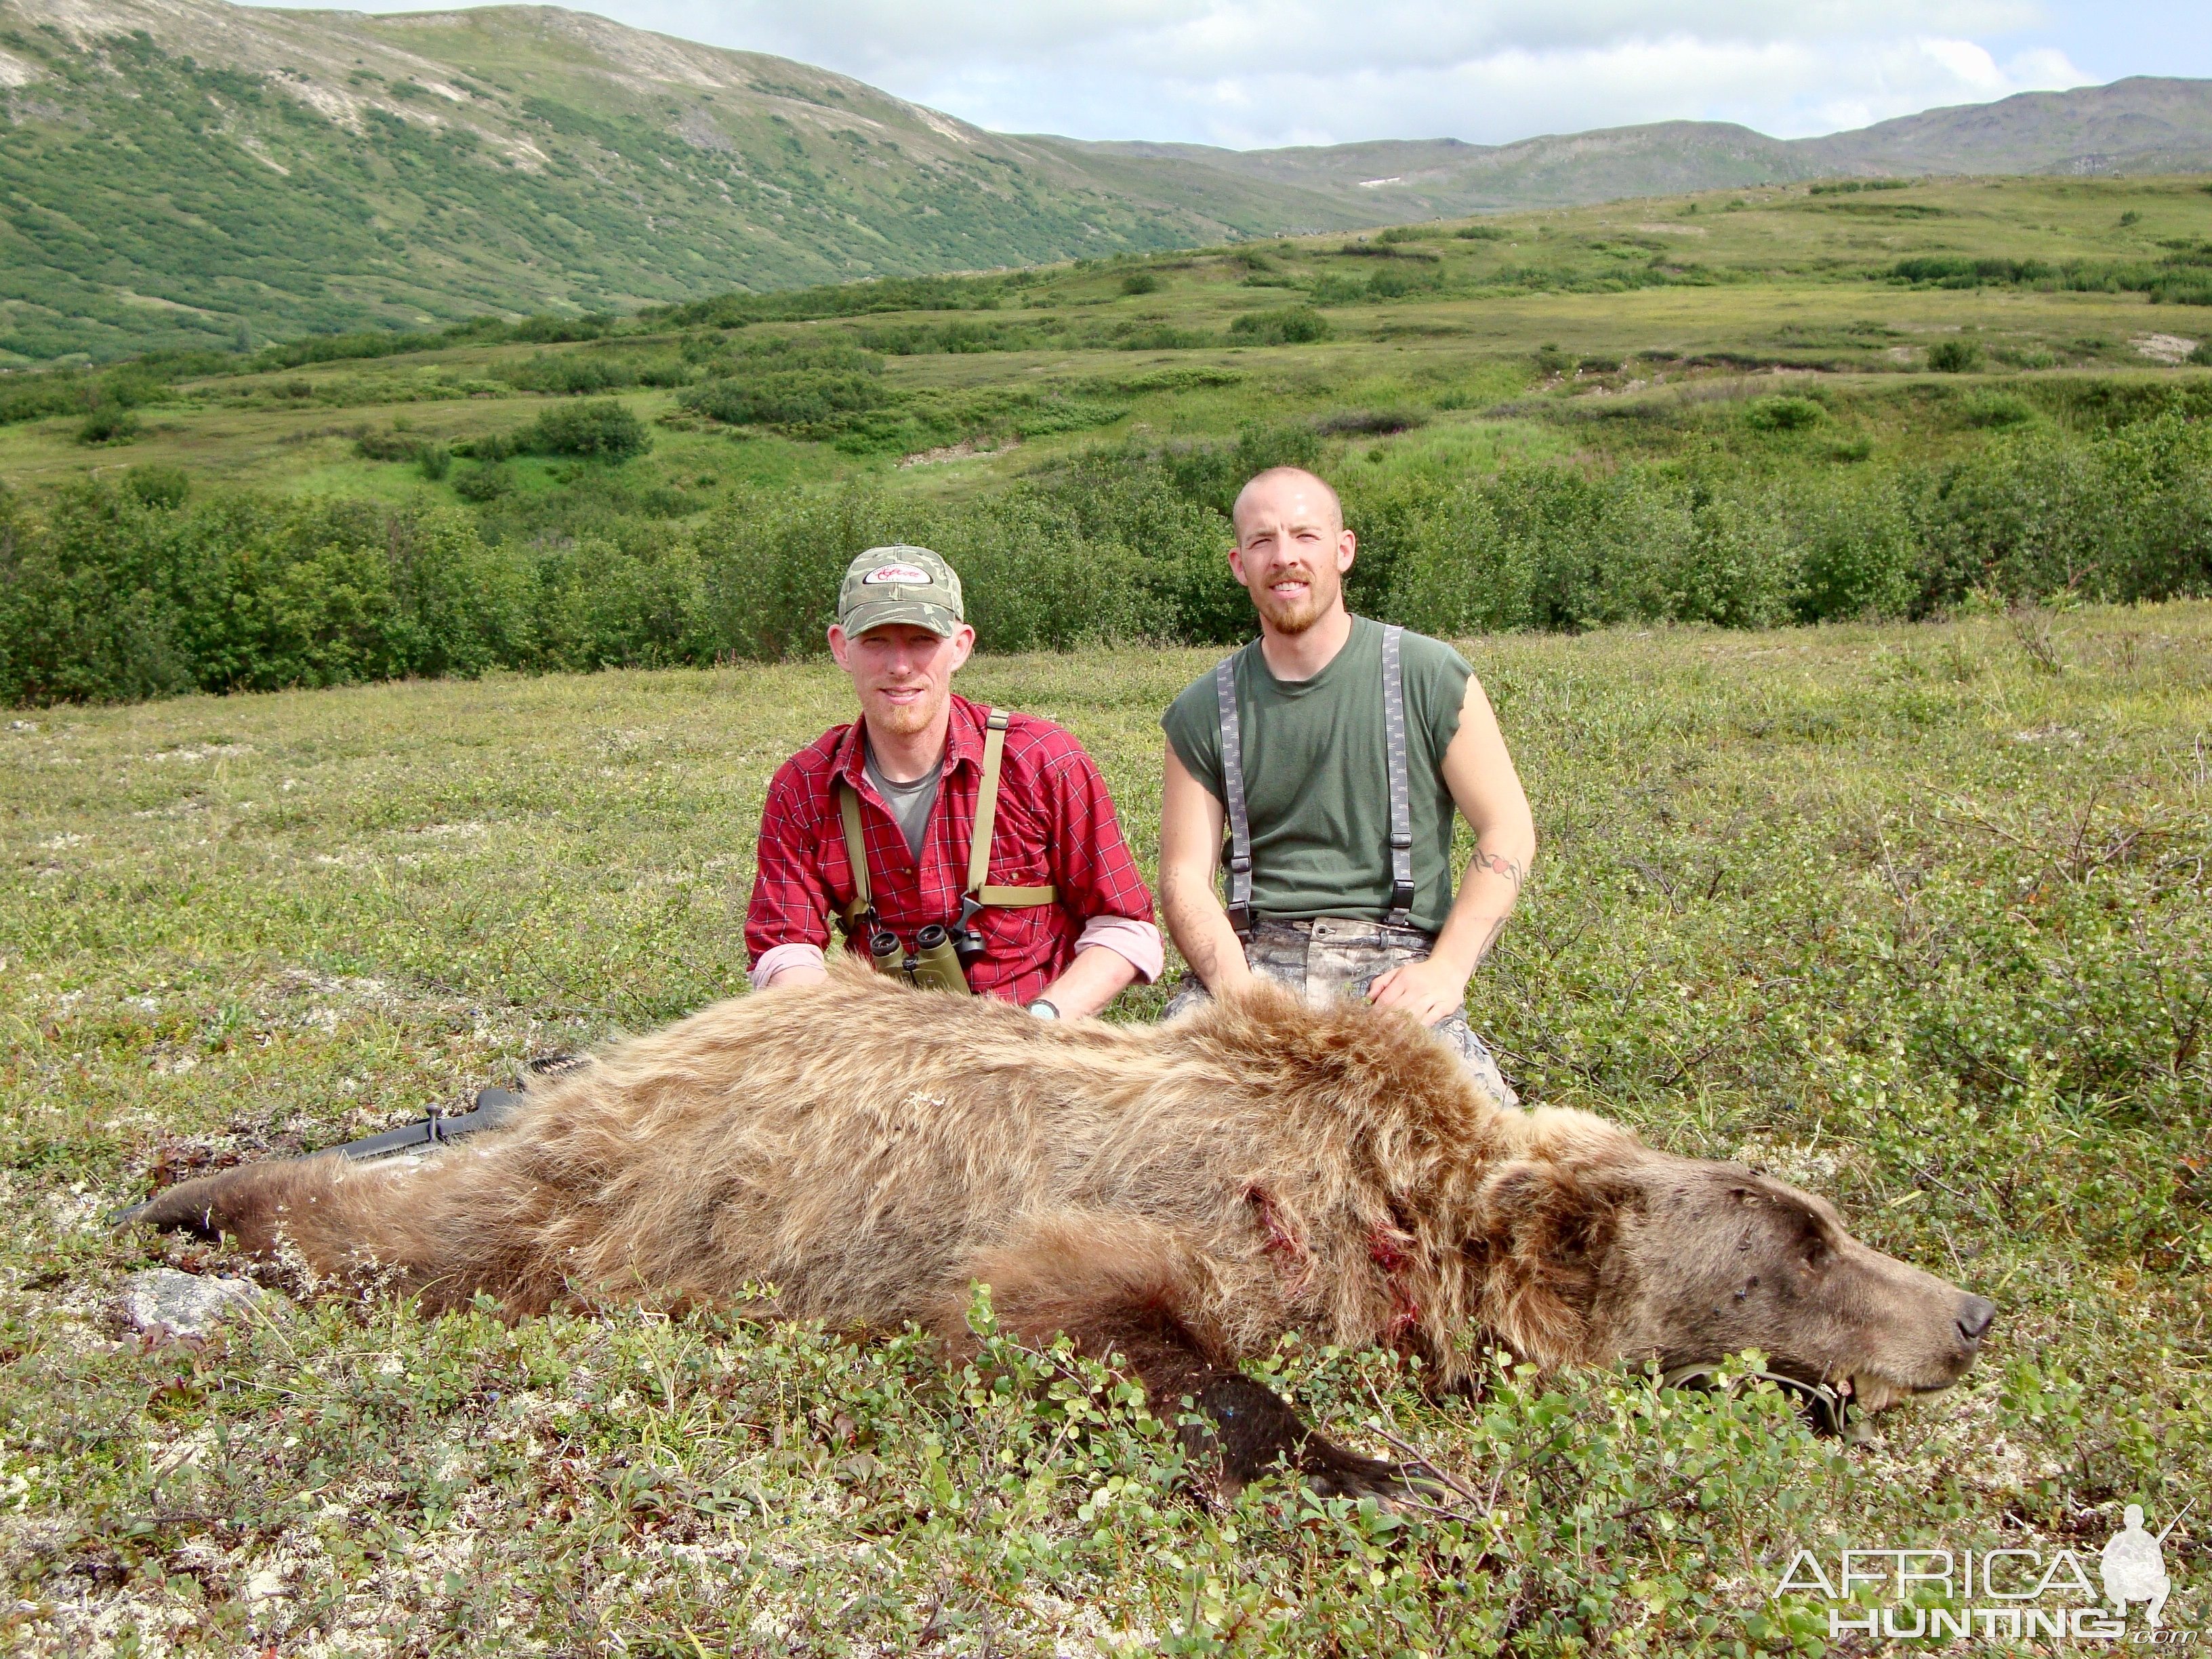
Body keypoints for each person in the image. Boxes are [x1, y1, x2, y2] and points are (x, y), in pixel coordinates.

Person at [1156, 467, 1534, 1103]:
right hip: (1252, 961)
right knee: (1151, 1139)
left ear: (1343, 549)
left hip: (1392, 966)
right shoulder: (1201, 710)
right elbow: (1184, 879)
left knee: (1480, 1157)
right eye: (1262, 542)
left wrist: (1446, 969)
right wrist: (1240, 993)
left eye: (1305, 535)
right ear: (1238, 565)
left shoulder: (1429, 675)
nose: (1286, 558)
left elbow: (1508, 829)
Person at [747, 545, 1161, 1018]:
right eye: (875, 640)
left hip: (1037, 1037)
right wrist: (837, 1036)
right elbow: (785, 945)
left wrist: (1041, 1022)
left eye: (922, 640)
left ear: (960, 646)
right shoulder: (803, 785)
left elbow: (1126, 928)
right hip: (883, 1040)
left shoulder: (1042, 760)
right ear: (842, 647)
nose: (900, 666)